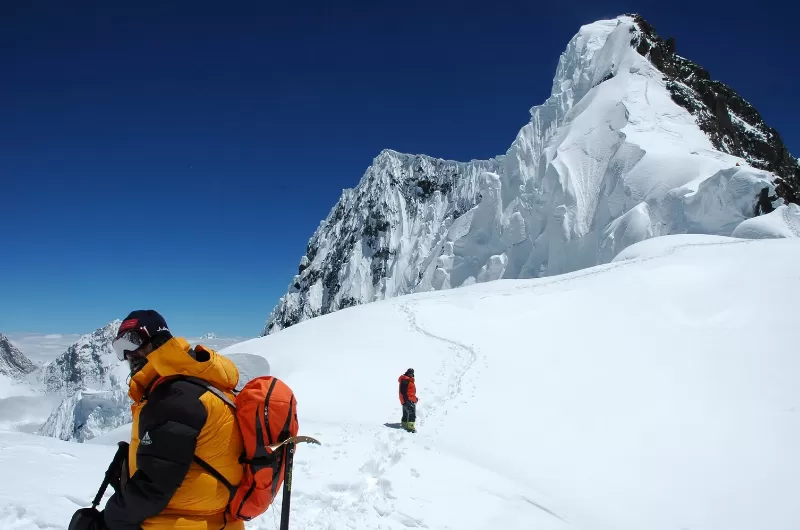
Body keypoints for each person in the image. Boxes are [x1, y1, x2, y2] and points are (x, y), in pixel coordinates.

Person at [96, 310, 244, 530]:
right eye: (120, 349)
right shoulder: (189, 385)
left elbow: (153, 488)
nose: (128, 355)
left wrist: (108, 520)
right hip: (207, 520)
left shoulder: (175, 397)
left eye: (132, 342)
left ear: (159, 341)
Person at [398, 368, 418, 432]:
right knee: (411, 413)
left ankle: (404, 424)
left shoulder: (408, 380)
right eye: (410, 373)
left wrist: (414, 398)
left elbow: (410, 392)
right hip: (407, 400)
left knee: (406, 412)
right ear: (407, 373)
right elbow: (403, 392)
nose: (411, 374)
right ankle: (410, 428)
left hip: (408, 399)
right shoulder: (405, 380)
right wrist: (406, 401)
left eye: (412, 373)